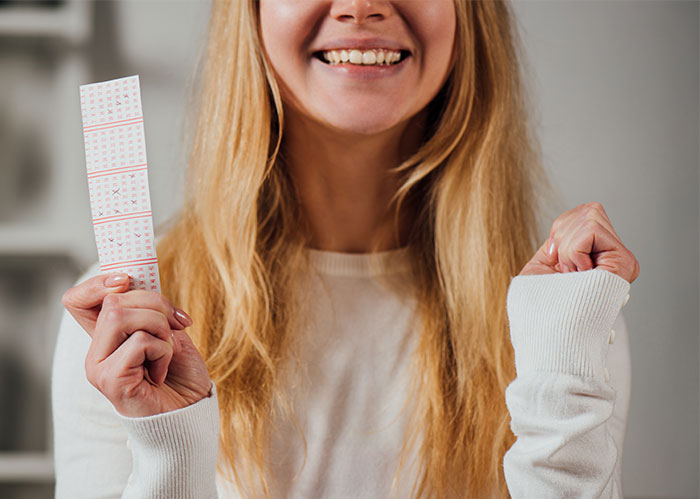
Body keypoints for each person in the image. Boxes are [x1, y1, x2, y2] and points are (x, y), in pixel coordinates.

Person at [53, 1, 640, 497]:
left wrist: (564, 387)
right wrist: (169, 457)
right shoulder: (125, 321)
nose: (361, 7)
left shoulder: (559, 314)